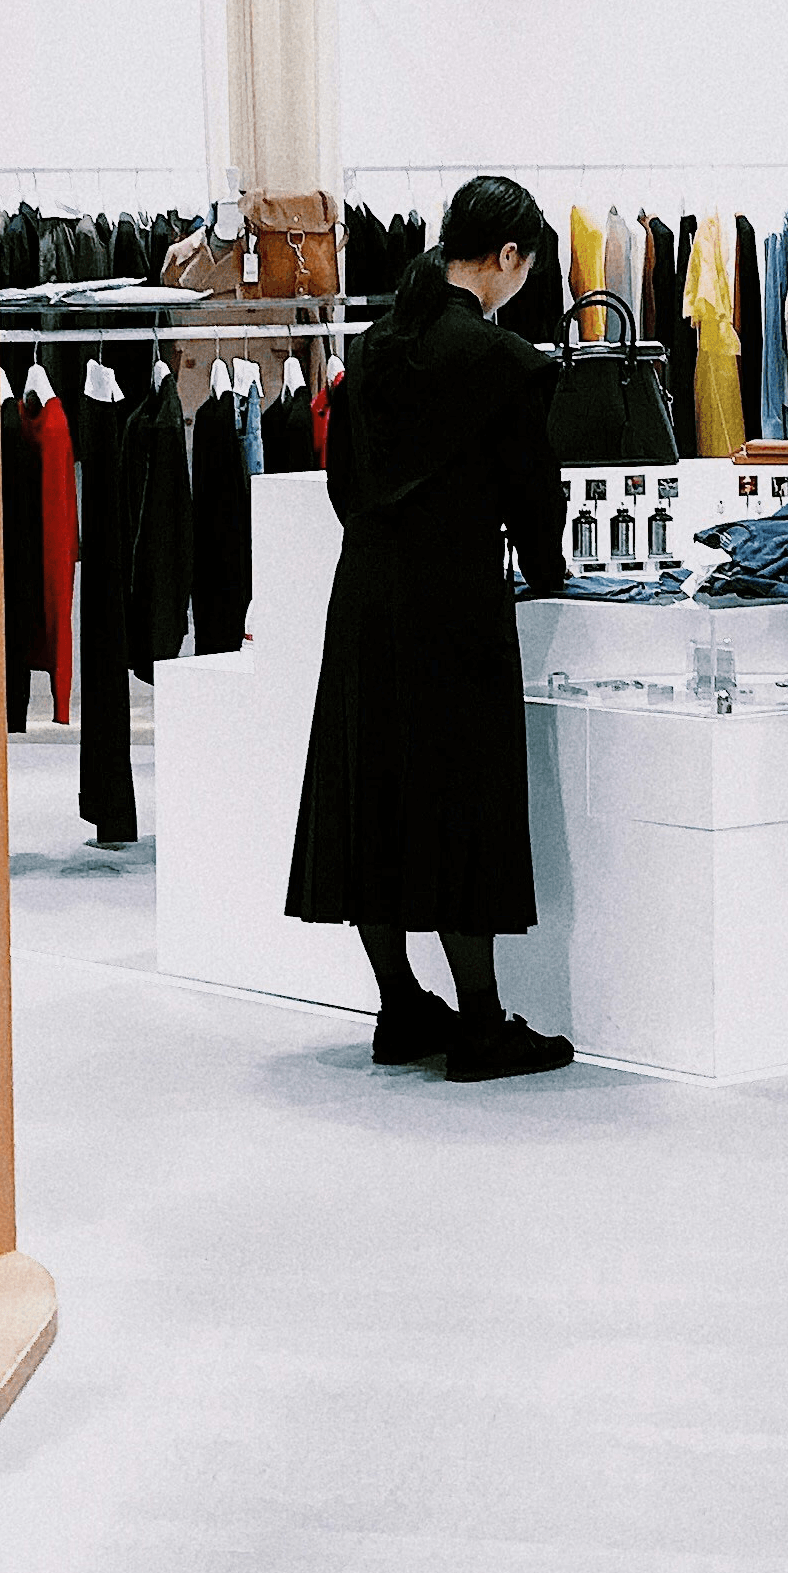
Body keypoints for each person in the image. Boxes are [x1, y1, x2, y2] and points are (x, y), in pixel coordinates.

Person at [284, 176, 577, 1080]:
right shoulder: (500, 362)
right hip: (453, 602)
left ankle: (400, 1006)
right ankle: (482, 1025)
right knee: (463, 801)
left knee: (373, 789)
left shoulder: (372, 350)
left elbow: (341, 482)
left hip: (367, 594)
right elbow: (535, 504)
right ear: (509, 259)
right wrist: (550, 575)